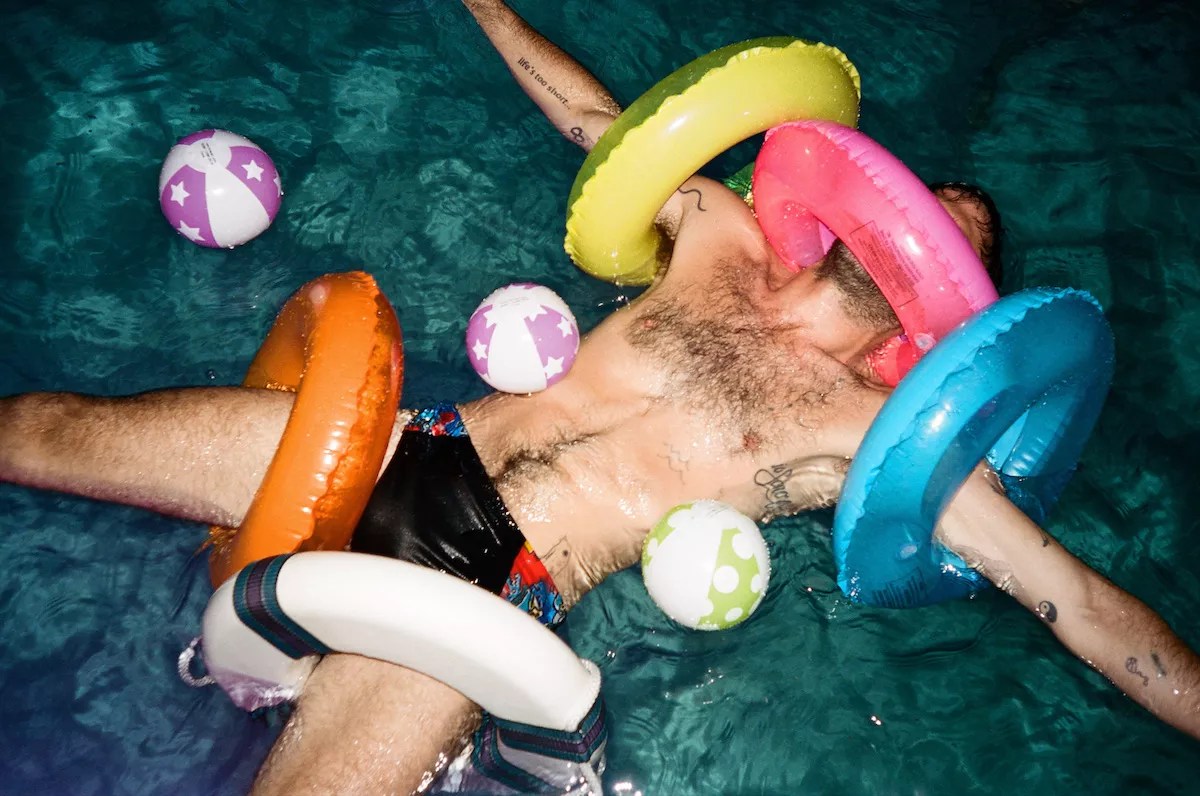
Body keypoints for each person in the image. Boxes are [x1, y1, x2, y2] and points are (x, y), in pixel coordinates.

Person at [2, 0, 1197, 793]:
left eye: (948, 244)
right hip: (402, 445)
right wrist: (488, 7)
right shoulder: (719, 232)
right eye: (923, 206)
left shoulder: (874, 437)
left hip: (490, 591)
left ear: (939, 324)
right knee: (51, 430)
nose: (919, 232)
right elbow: (595, 125)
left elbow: (1075, 600)